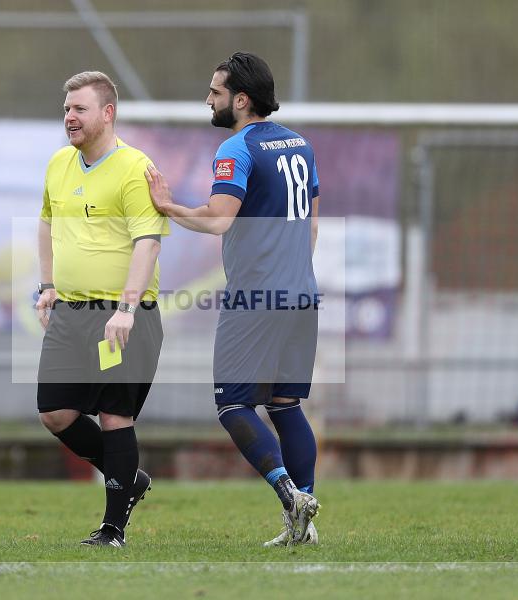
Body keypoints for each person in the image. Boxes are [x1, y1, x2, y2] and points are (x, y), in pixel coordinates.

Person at [145, 52, 321, 546]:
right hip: (301, 294)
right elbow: (311, 221)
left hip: (256, 297)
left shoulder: (236, 147)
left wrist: (168, 206)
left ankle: (291, 496)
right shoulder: (301, 144)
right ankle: (301, 527)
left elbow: (218, 218)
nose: (209, 99)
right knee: (286, 407)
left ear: (241, 100)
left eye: (215, 92)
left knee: (232, 405)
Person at [35, 71, 169, 548]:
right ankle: (128, 479)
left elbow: (148, 243)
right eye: (67, 108)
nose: (69, 116)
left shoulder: (135, 168)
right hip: (70, 313)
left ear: (107, 114)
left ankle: (113, 529)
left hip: (120, 317)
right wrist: (48, 285)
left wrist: (127, 309)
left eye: (80, 109)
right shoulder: (58, 164)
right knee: (54, 412)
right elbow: (47, 224)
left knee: (115, 416)